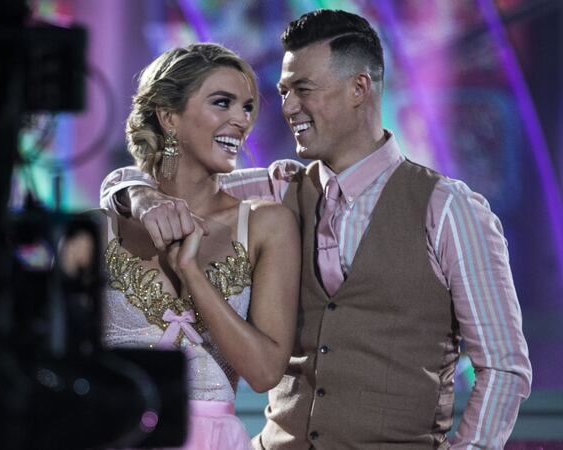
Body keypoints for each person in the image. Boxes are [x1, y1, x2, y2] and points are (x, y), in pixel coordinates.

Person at [100, 9, 531, 450]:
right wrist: (133, 192)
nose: (286, 108)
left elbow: (503, 367)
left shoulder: (449, 209)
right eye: (284, 91)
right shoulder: (281, 187)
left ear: (359, 89)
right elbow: (172, 181)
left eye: (303, 90)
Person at [97, 43, 300, 449]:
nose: (240, 121)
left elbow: (263, 374)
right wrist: (134, 194)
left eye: (246, 108)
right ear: (169, 117)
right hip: (109, 434)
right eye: (222, 103)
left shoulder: (265, 223)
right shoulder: (105, 225)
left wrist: (191, 271)